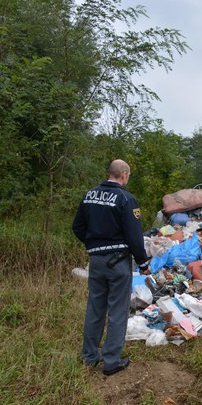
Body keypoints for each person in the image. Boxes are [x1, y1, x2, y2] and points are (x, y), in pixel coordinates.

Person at [72, 159, 150, 376]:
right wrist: (143, 263)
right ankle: (111, 362)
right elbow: (135, 237)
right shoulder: (126, 198)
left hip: (96, 262)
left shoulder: (90, 195)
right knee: (117, 310)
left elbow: (77, 226)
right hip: (118, 262)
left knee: (95, 307)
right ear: (123, 174)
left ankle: (89, 357)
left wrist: (93, 244)